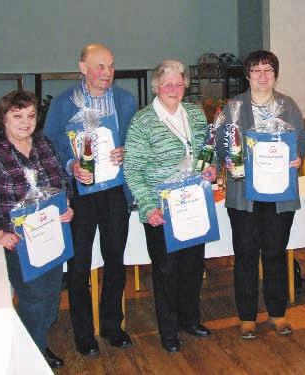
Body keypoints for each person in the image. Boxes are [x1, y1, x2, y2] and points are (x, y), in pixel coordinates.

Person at [43, 44, 137, 356]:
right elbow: (49, 145)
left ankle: (112, 325)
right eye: (99, 66)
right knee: (79, 266)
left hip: (114, 192)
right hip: (79, 197)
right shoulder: (63, 103)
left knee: (115, 261)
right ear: (83, 67)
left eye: (110, 66)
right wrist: (71, 166)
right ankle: (84, 334)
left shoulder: (125, 100)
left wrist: (126, 151)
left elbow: (133, 141)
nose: (107, 73)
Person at [124, 60, 216, 352]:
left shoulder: (195, 113)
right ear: (156, 87)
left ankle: (189, 319)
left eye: (178, 83)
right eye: (167, 85)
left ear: (185, 84)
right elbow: (132, 169)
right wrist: (149, 206)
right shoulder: (143, 120)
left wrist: (210, 168)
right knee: (166, 271)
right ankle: (169, 330)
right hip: (161, 209)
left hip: (193, 203)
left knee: (193, 265)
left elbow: (205, 152)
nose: (173, 89)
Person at [215, 50, 305, 339]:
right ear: (247, 75)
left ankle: (278, 313)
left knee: (275, 253)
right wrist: (226, 159)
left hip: (279, 195)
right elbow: (219, 142)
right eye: (256, 70)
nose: (263, 75)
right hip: (244, 194)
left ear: (275, 74)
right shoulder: (232, 107)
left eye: (268, 70)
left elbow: (302, 140)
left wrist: (298, 156)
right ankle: (246, 316)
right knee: (245, 254)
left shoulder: (288, 105)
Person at [0, 90, 74, 368]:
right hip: (19, 239)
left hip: (52, 234)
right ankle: (31, 353)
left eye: (31, 115)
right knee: (33, 298)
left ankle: (37, 341)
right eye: (17, 115)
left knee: (51, 295)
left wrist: (66, 205)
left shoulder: (45, 145)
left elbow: (62, 181)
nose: (25, 121)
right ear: (4, 119)